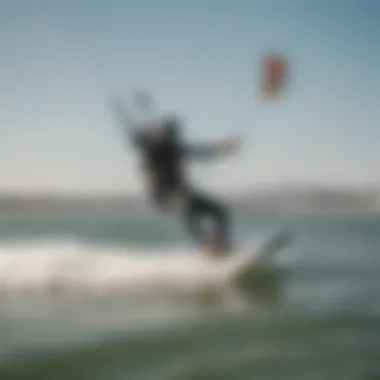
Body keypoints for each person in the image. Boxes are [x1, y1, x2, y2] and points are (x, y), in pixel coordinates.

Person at [110, 99, 242, 258]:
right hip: (163, 197)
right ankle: (204, 245)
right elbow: (136, 138)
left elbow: (202, 152)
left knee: (222, 211)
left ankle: (222, 245)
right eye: (169, 134)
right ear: (162, 133)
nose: (173, 138)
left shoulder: (176, 148)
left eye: (174, 134)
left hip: (183, 193)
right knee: (185, 203)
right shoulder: (152, 150)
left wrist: (224, 148)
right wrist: (129, 119)